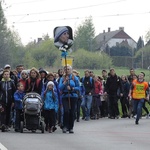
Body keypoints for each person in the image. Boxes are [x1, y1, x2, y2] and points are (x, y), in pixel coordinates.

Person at [59, 65, 79, 133]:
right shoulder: (62, 78)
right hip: (65, 96)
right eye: (66, 69)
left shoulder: (75, 78)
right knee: (66, 111)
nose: (67, 70)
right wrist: (64, 83)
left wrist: (72, 88)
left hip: (73, 96)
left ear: (71, 70)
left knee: (72, 112)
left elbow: (79, 87)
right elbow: (60, 87)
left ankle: (71, 127)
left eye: (68, 69)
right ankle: (65, 126)